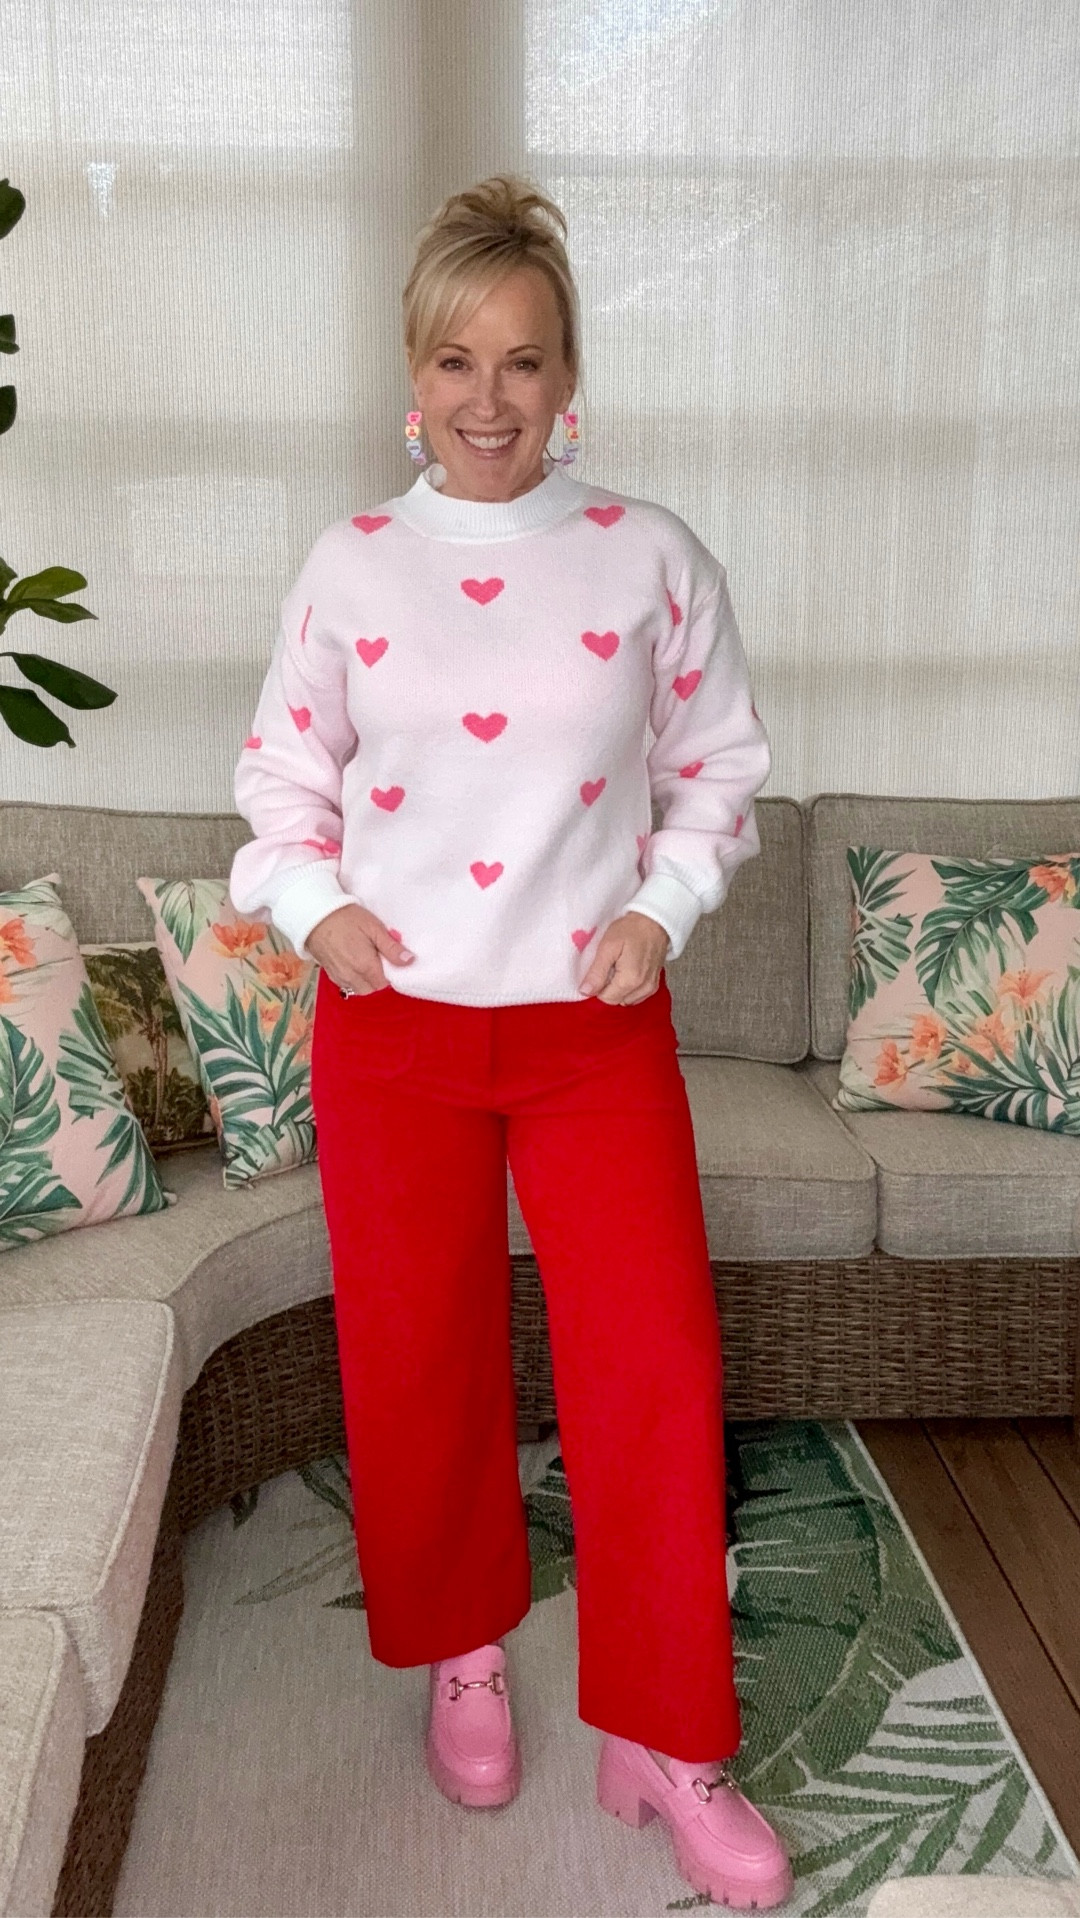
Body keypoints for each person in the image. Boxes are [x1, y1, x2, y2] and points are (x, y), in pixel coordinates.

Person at [229, 173, 793, 1911]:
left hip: (591, 1027)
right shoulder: (353, 564)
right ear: (416, 375)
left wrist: (664, 907)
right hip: (391, 1025)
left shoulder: (650, 555)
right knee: (424, 1359)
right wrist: (307, 898)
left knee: (653, 1371)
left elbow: (718, 771)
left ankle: (667, 1734)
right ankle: (465, 1654)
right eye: (459, 362)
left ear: (568, 383)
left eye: (525, 363)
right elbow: (278, 777)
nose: (491, 401)